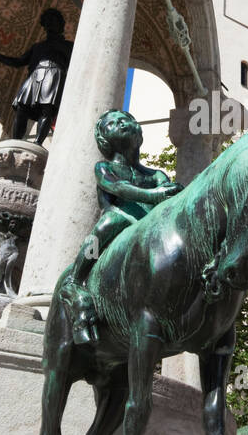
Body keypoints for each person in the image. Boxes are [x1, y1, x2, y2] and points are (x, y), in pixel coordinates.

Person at [67, 110, 181, 344]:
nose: (121, 123)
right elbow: (118, 188)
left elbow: (169, 195)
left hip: (150, 221)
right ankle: (76, 279)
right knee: (107, 224)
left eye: (126, 120)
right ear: (104, 139)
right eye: (112, 124)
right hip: (119, 218)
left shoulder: (156, 174)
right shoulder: (104, 168)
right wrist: (154, 195)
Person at [0, 8, 72, 144]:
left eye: (53, 21)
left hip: (54, 75)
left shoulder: (69, 46)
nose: (50, 24)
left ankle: (38, 143)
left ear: (61, 24)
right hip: (34, 76)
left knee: (47, 110)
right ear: (44, 26)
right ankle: (15, 142)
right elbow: (18, 62)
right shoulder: (38, 47)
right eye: (47, 22)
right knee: (22, 108)